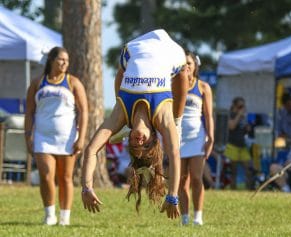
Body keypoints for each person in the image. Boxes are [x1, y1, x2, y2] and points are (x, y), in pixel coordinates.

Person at [81, 29, 189, 219]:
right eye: (146, 145)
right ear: (154, 138)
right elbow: (174, 154)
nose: (139, 141)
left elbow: (91, 150)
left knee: (123, 68)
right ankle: (179, 119)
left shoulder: (120, 114)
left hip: (135, 47)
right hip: (170, 51)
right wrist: (172, 196)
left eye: (134, 145)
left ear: (129, 139)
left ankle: (121, 96)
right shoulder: (163, 118)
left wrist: (86, 187)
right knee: (183, 72)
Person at [24, 47, 88, 225]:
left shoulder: (73, 82)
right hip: (42, 136)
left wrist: (81, 137)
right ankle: (49, 215)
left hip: (66, 138)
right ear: (51, 60)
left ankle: (65, 217)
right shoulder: (38, 83)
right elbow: (29, 112)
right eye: (61, 59)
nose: (64, 63)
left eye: (67, 60)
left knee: (65, 177)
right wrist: (28, 135)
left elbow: (84, 112)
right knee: (46, 175)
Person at [179, 50, 214, 226]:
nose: (186, 67)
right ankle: (184, 217)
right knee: (181, 179)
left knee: (196, 178)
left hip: (196, 137)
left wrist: (211, 137)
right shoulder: (173, 85)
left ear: (195, 66)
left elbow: (208, 116)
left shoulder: (203, 87)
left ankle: (198, 216)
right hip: (178, 138)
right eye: (183, 64)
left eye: (189, 63)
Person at [224, 97, 252, 189]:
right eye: (240, 106)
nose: (242, 108)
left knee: (248, 168)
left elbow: (245, 130)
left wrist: (247, 128)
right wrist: (239, 115)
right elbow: (231, 126)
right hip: (232, 146)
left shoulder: (243, 117)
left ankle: (249, 188)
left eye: (243, 106)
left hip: (242, 146)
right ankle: (233, 189)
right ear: (235, 106)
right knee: (233, 171)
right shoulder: (231, 114)